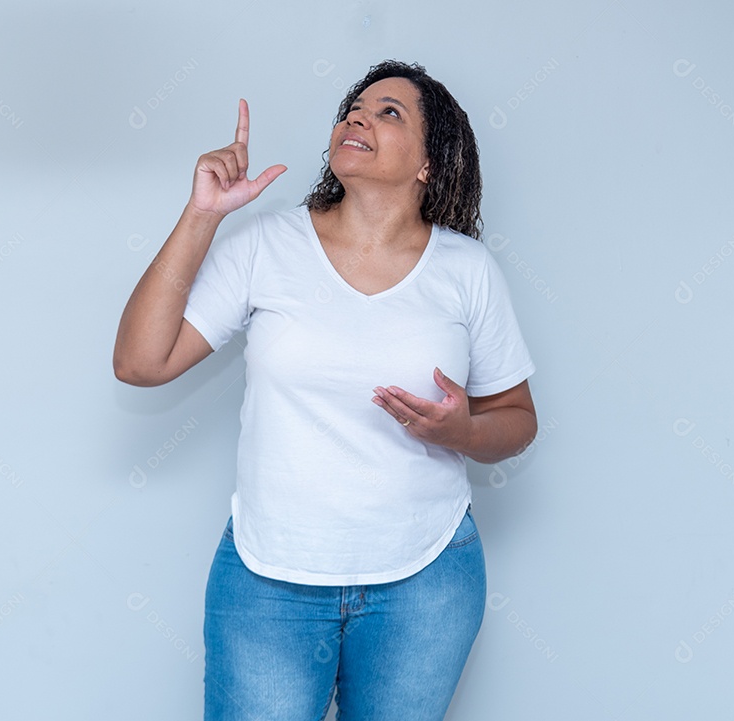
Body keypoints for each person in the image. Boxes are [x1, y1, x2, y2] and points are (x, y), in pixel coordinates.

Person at [114, 60, 537, 721]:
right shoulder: (265, 248)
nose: (357, 115)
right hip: (269, 583)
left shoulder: (467, 271)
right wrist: (202, 215)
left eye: (389, 111)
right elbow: (140, 363)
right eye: (353, 106)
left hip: (426, 582)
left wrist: (463, 432)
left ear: (430, 163)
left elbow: (517, 418)